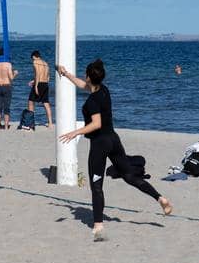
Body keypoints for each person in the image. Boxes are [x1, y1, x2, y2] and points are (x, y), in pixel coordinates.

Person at [56, 59, 173, 241]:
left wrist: (74, 132)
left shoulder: (92, 101)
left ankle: (98, 226)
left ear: (88, 76)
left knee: (96, 186)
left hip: (100, 144)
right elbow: (83, 86)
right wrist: (67, 74)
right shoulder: (103, 90)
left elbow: (96, 124)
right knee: (130, 177)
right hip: (113, 140)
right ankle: (161, 199)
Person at [21, 50, 52, 130]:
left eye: (32, 58)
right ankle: (50, 123)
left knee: (30, 101)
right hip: (45, 84)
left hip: (39, 84)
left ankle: (30, 123)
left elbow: (38, 73)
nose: (32, 60)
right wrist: (34, 81)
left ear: (34, 56)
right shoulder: (45, 63)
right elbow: (48, 77)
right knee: (46, 103)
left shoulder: (35, 62)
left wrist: (36, 86)